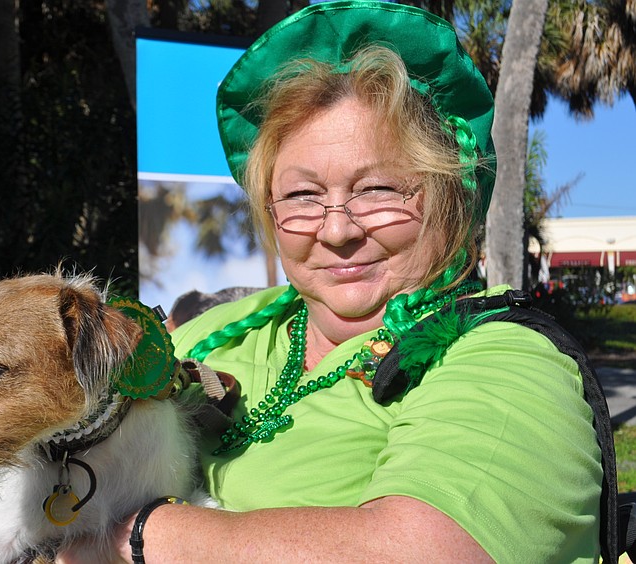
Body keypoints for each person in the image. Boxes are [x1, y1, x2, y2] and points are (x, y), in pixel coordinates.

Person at [64, 1, 603, 561]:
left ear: (450, 201)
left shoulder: (507, 357)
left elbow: (422, 553)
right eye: (302, 196)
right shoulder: (223, 330)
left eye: (378, 190)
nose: (338, 229)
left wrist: (133, 537)